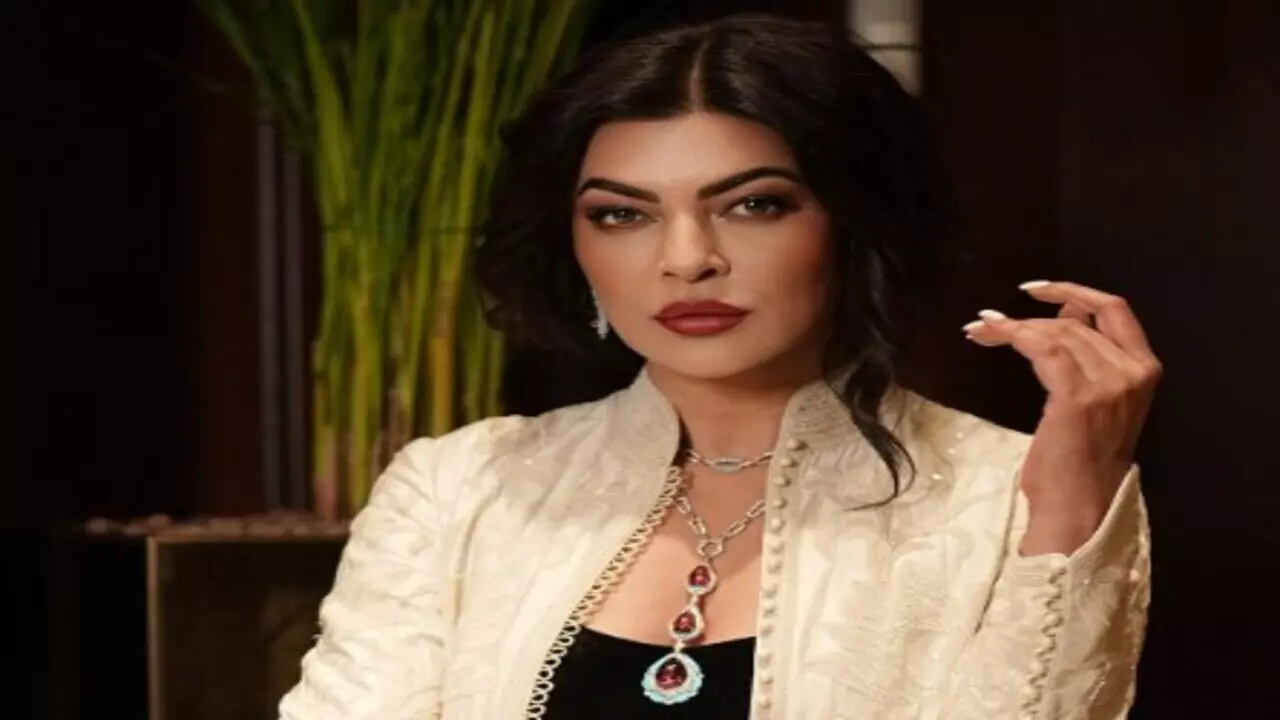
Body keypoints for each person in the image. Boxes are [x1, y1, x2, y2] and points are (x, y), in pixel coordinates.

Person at [280, 13, 1159, 720]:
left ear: (853, 222)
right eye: (622, 215)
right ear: (573, 244)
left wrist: (1072, 506)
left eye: (753, 205)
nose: (687, 258)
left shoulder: (1011, 498)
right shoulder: (461, 491)